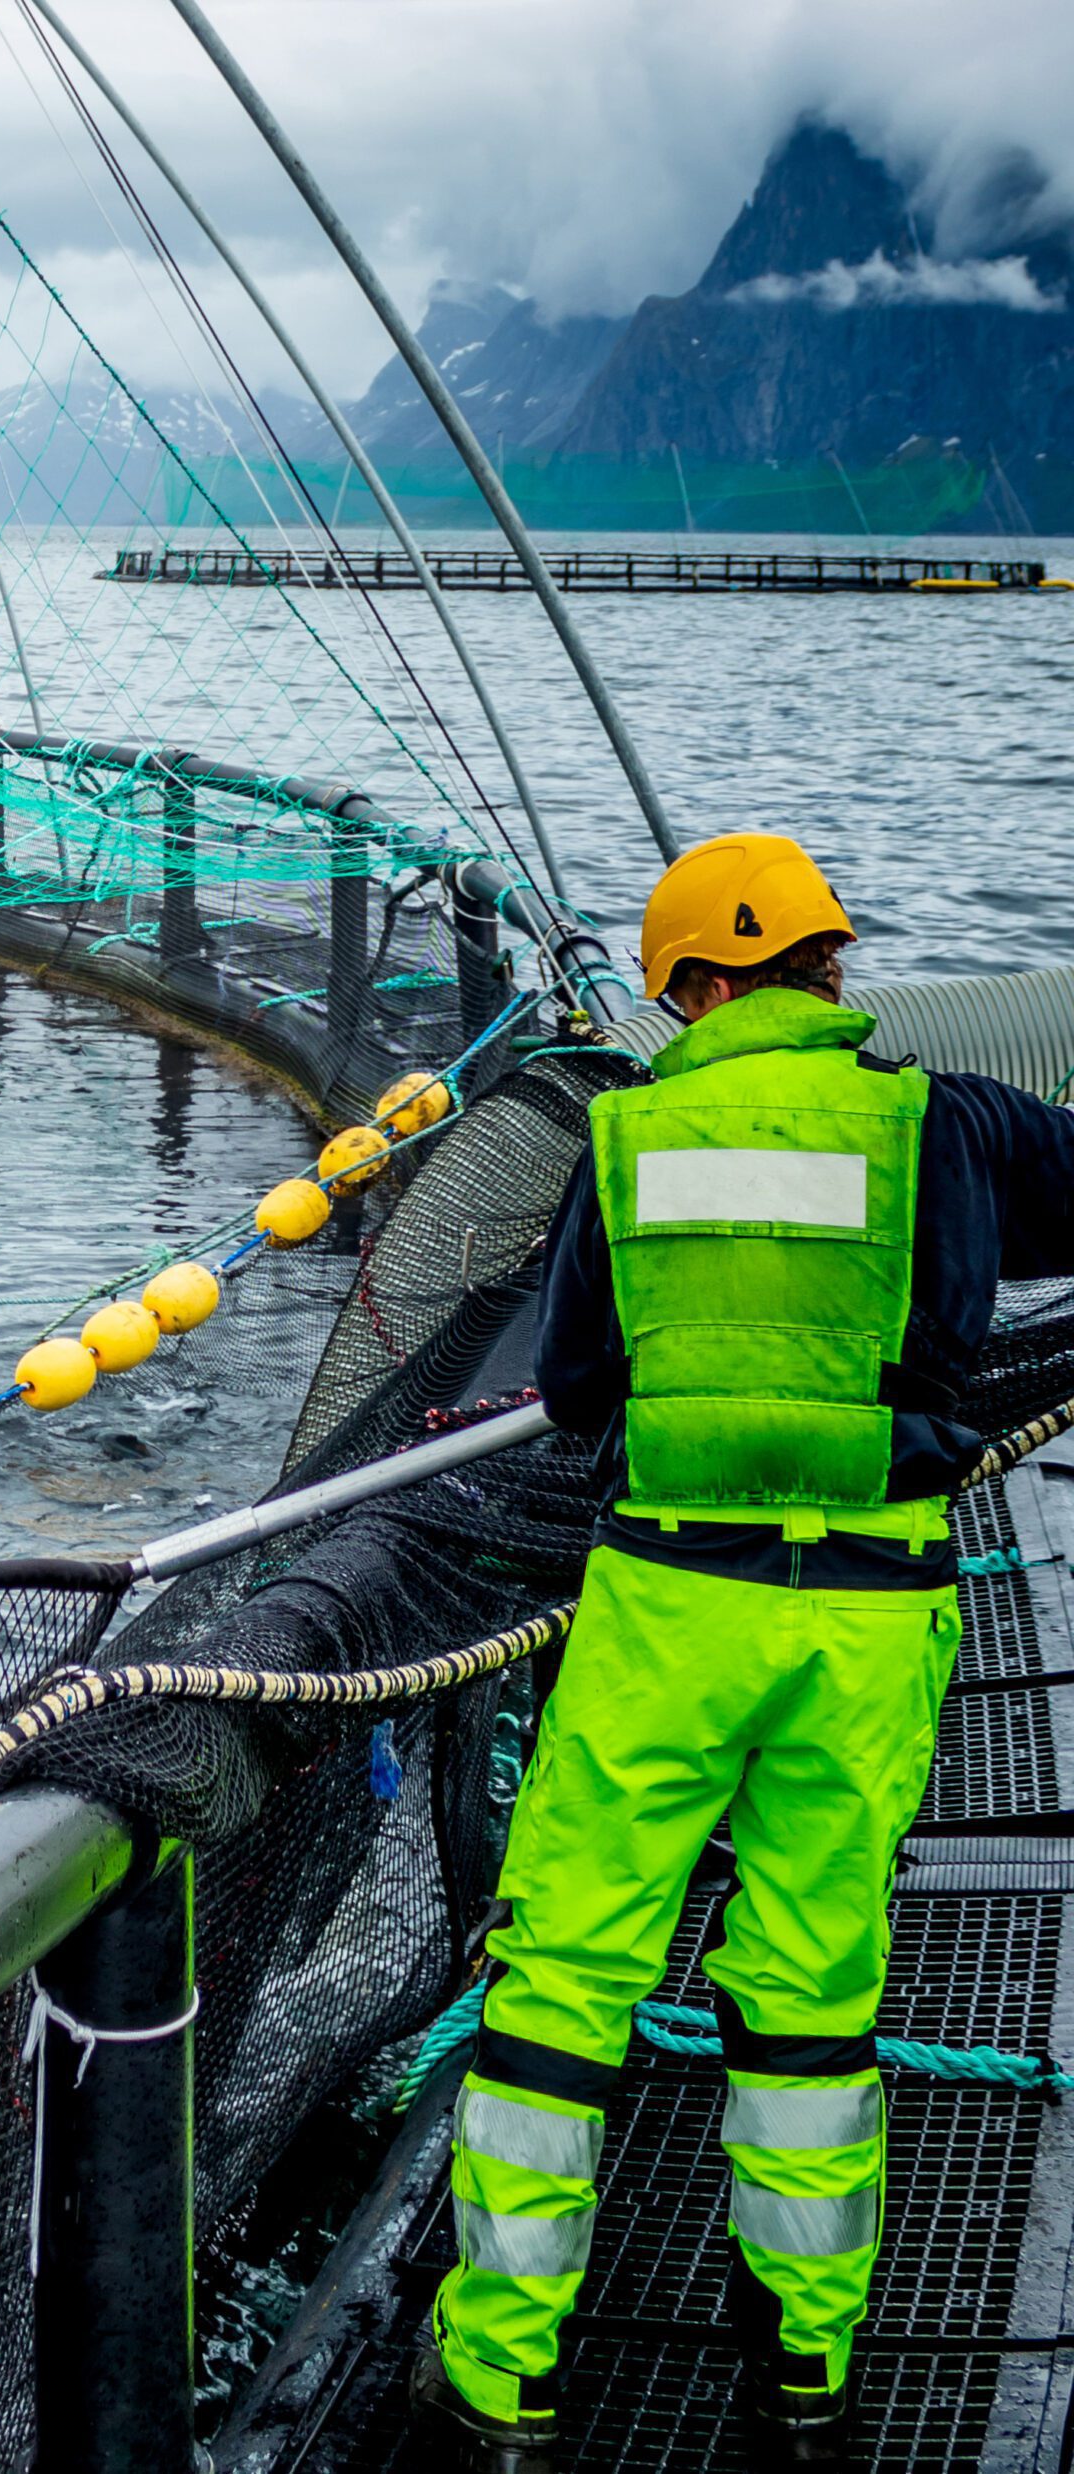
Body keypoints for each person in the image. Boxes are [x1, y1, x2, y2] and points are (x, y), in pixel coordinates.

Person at [409, 831, 1074, 2471]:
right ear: (828, 969)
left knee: (564, 1981)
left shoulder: (627, 1139)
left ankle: (501, 2386)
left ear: (696, 984)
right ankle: (808, 2370)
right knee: (812, 1993)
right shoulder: (952, 1124)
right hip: (868, 1620)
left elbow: (574, 1389)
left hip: (666, 1614)